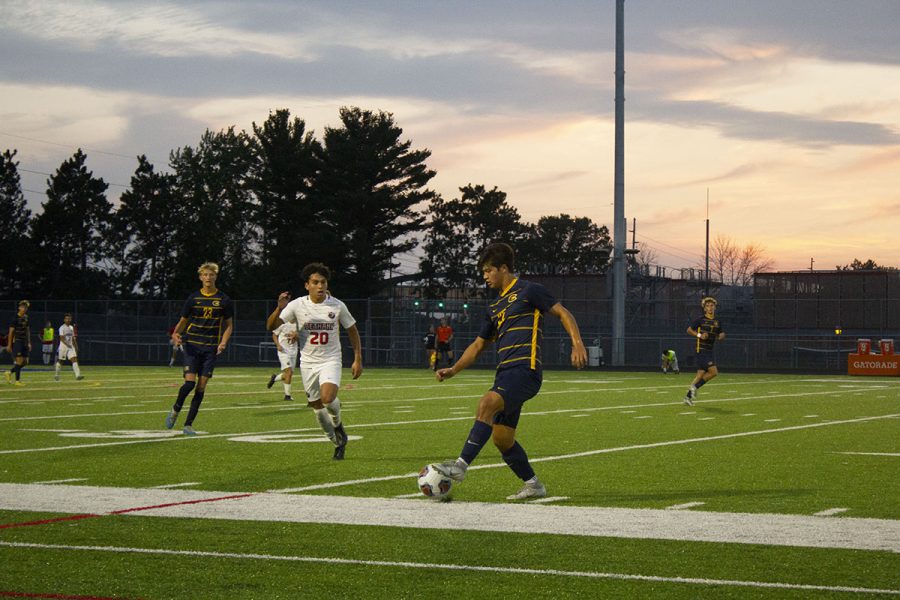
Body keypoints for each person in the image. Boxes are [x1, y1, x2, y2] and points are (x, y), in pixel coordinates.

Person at [433, 242, 587, 500]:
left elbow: (563, 313)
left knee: (487, 403)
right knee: (502, 439)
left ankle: (460, 466)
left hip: (525, 370)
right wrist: (454, 369)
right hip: (505, 373)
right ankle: (534, 485)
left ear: (503, 268)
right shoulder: (494, 307)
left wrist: (577, 343)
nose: (484, 276)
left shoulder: (529, 290)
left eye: (487, 271)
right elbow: (479, 344)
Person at [266, 263, 362, 460]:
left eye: (323, 282)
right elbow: (271, 326)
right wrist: (279, 308)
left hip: (331, 359)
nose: (320, 286)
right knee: (317, 408)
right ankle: (337, 442)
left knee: (328, 398)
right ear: (307, 285)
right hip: (308, 362)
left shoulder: (337, 305)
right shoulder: (297, 305)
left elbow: (352, 329)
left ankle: (337, 423)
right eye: (315, 282)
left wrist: (357, 358)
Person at [165, 262, 234, 436]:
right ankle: (175, 409)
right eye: (205, 275)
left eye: (211, 275)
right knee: (189, 383)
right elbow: (182, 321)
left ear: (215, 277)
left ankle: (188, 424)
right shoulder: (193, 299)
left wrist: (223, 342)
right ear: (200, 277)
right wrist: (175, 335)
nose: (208, 278)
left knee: (201, 387)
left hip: (210, 349)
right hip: (192, 346)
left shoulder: (224, 300)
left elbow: (229, 325)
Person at [683, 297, 725, 406]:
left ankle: (687, 397)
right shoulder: (700, 320)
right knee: (713, 372)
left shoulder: (717, 321)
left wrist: (721, 336)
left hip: (709, 351)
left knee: (700, 375)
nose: (710, 308)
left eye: (712, 306)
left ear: (715, 307)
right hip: (701, 350)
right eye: (707, 306)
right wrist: (699, 335)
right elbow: (688, 330)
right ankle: (694, 388)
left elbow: (721, 333)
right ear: (704, 308)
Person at [267, 319, 298, 401]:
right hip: (283, 352)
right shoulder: (283, 324)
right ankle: (287, 396)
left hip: (293, 352)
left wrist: (296, 336)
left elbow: (302, 338)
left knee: (288, 374)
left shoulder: (299, 326)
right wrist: (278, 345)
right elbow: (274, 334)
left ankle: (275, 378)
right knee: (289, 372)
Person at [6, 300, 31, 386]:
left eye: (26, 307)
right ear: (19, 308)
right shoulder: (15, 318)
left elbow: (27, 330)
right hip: (18, 341)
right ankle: (17, 381)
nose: (24, 309)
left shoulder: (26, 317)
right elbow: (11, 332)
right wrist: (9, 345)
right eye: (23, 307)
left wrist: (29, 342)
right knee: (19, 361)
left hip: (24, 342)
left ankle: (9, 372)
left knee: (25, 362)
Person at [55, 313, 84, 381]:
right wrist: (67, 344)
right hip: (63, 347)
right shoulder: (62, 328)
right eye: (67, 318)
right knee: (61, 361)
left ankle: (78, 375)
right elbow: (61, 338)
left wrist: (76, 346)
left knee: (74, 359)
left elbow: (73, 338)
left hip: (70, 347)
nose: (68, 320)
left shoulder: (71, 327)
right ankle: (57, 374)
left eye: (69, 318)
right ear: (64, 320)